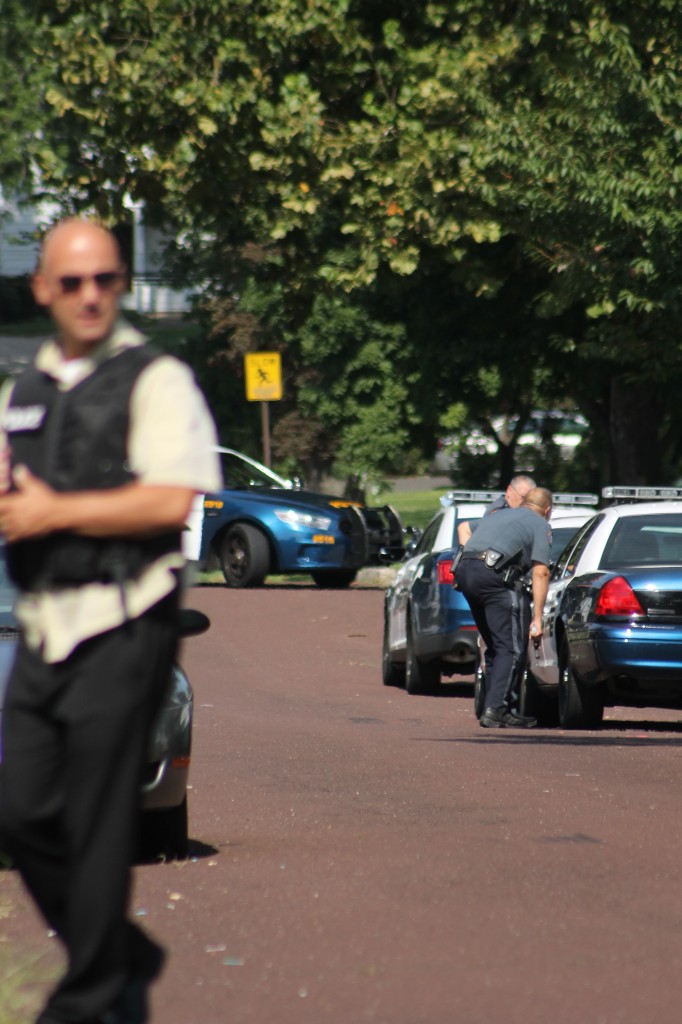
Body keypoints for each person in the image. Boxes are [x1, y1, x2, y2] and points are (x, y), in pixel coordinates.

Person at [0, 219, 221, 1024]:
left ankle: (92, 999)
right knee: (20, 810)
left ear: (120, 284)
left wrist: (59, 512)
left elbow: (171, 497)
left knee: (97, 817)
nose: (90, 295)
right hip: (44, 623)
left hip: (126, 619)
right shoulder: (20, 393)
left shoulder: (154, 378)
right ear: (43, 289)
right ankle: (118, 952)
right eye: (72, 282)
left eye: (106, 280)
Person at [454, 487, 552, 729]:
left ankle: (498, 706)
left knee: (496, 645)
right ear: (547, 510)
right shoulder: (540, 525)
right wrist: (537, 619)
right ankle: (495, 710)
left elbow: (464, 527)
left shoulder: (498, 514)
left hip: (466, 572)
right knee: (511, 648)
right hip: (493, 578)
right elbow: (541, 571)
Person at [456, 473, 536, 546]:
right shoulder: (499, 512)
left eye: (530, 499)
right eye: (523, 497)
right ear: (510, 490)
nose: (526, 502)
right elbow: (464, 528)